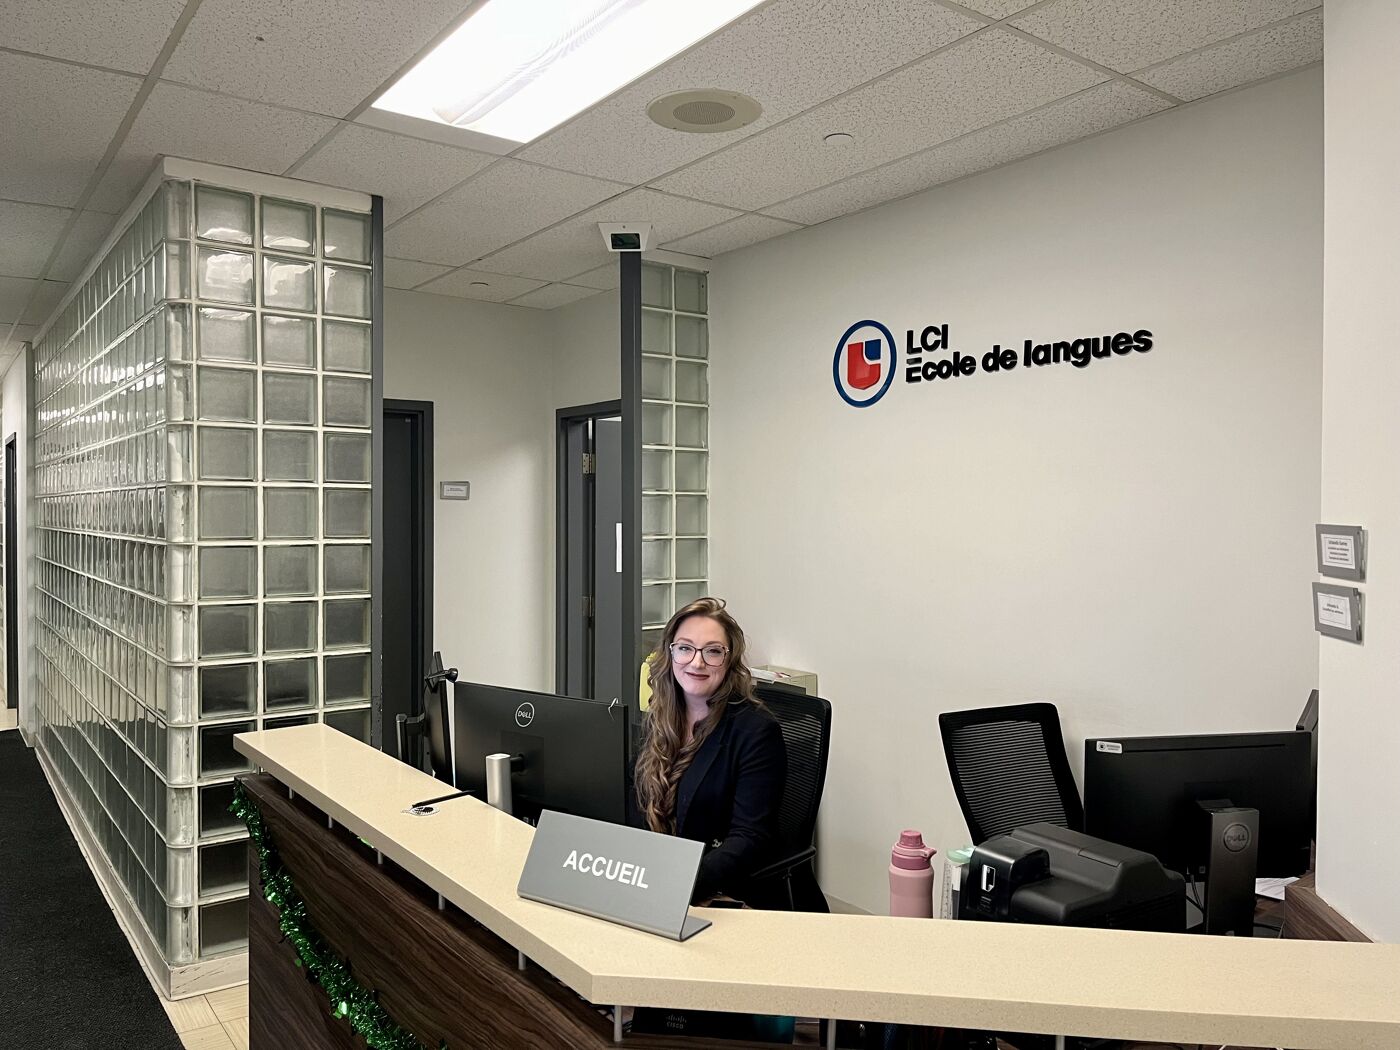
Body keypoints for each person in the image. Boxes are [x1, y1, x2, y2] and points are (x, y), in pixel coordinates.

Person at [632, 597, 786, 906]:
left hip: (719, 890)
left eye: (713, 651)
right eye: (685, 648)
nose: (697, 662)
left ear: (729, 661)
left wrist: (678, 888)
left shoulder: (756, 731)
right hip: (657, 879)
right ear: (669, 653)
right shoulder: (658, 721)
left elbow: (748, 839)